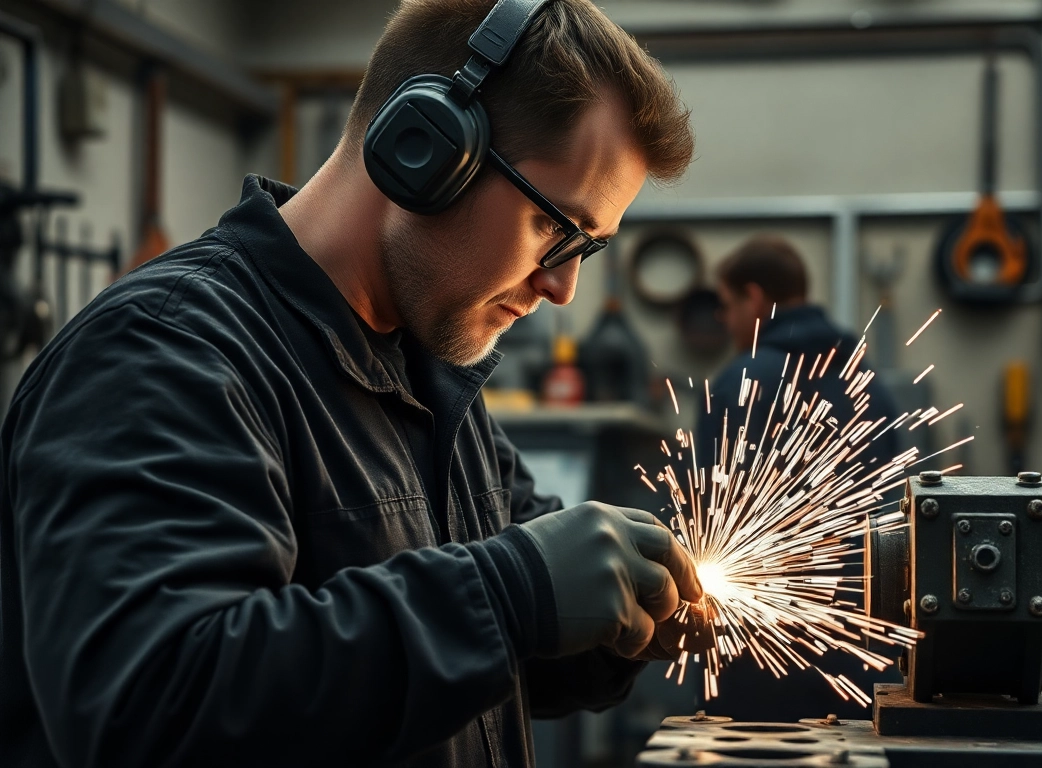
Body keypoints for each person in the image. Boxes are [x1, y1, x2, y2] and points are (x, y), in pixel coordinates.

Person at [0, 1, 702, 766]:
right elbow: (154, 709)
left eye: (588, 250)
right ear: (426, 151)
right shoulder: (165, 354)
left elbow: (480, 662)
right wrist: (508, 595)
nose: (563, 286)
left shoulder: (436, 381)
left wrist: (622, 620)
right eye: (555, 229)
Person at [697, 234, 902, 722]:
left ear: (754, 296)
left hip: (761, 643)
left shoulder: (743, 379)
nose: (724, 321)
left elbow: (711, 519)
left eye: (727, 305)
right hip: (864, 630)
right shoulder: (866, 380)